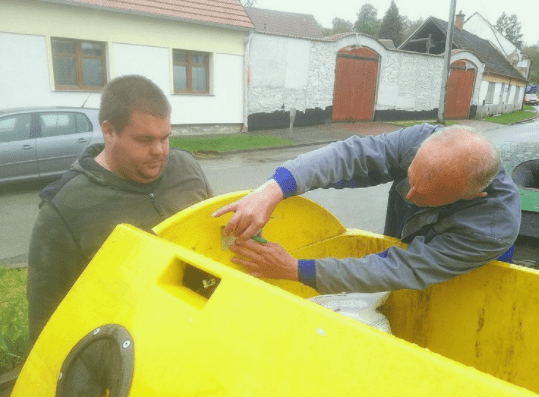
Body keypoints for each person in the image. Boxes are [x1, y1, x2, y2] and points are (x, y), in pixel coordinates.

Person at [213, 123, 520, 294]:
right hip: (411, 244)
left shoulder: (491, 230)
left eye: (425, 197)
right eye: (410, 179)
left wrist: (296, 269)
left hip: (467, 277)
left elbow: (402, 268)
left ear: (472, 195)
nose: (409, 196)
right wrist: (275, 188)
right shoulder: (422, 140)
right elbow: (351, 156)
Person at [27, 75, 213, 343]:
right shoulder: (64, 206)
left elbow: (214, 242)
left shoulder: (186, 167)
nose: (160, 150)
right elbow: (46, 319)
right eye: (145, 139)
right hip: (130, 355)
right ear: (109, 131)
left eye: (165, 137)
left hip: (203, 330)